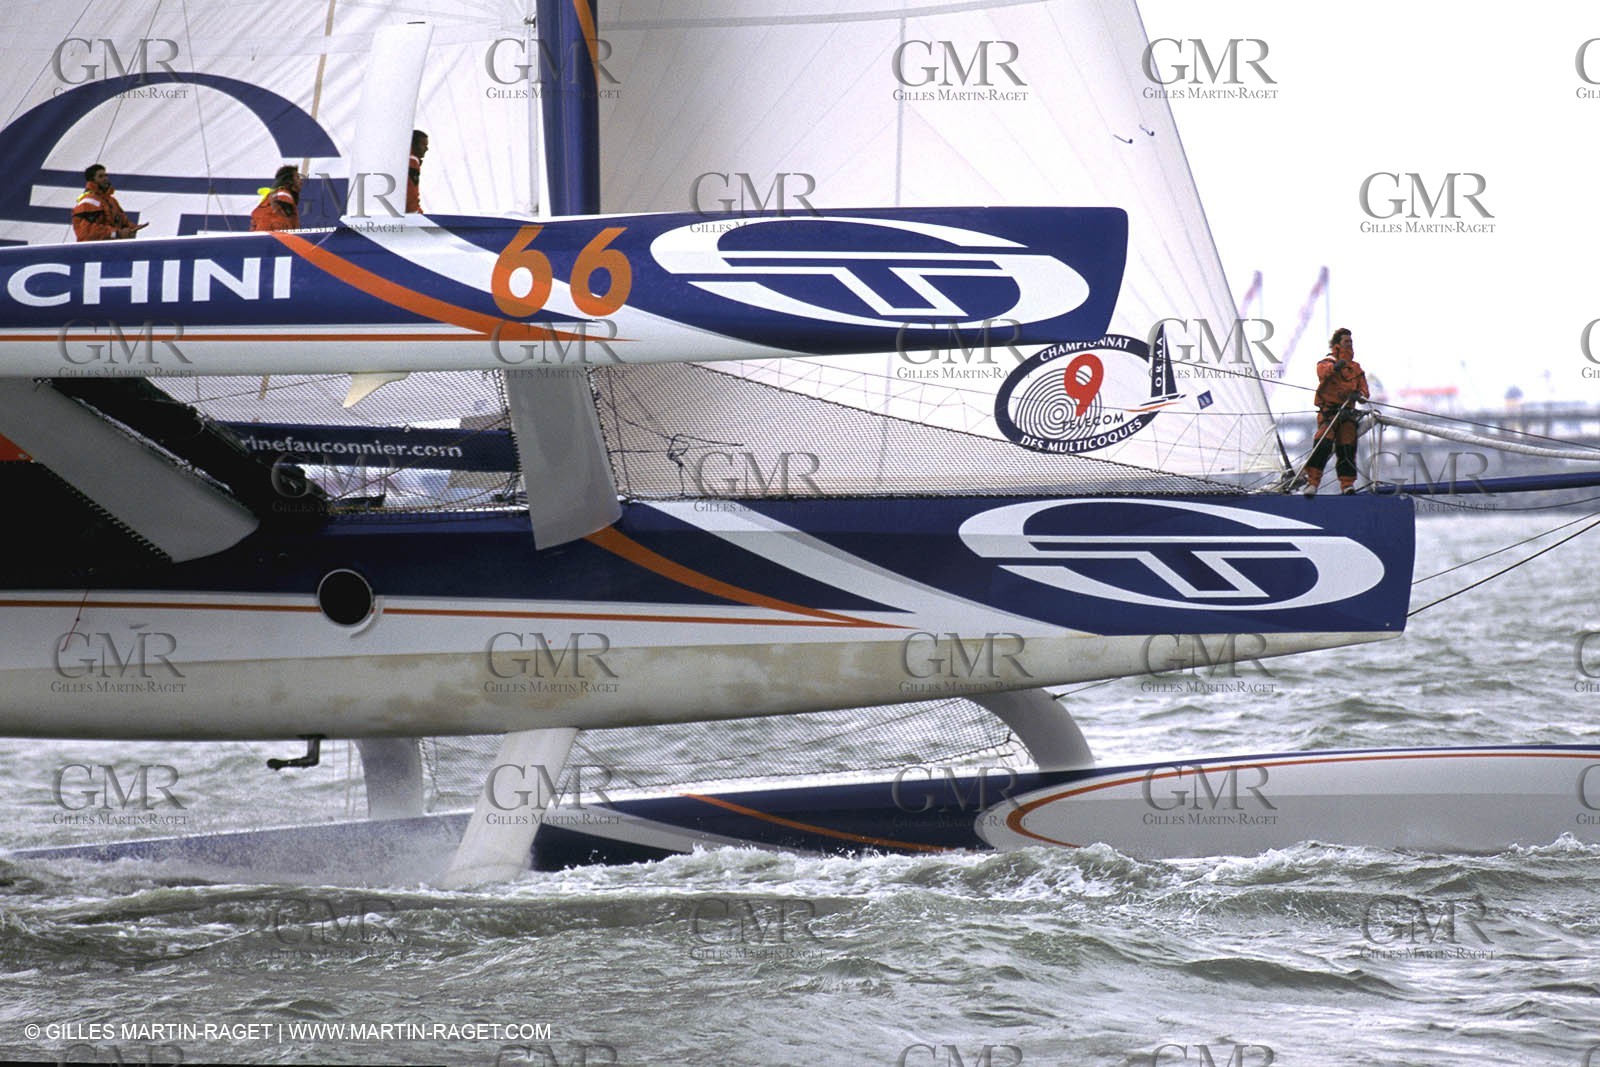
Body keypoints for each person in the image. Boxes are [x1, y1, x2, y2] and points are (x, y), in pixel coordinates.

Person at [1302, 327, 1370, 496]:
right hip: (1329, 413)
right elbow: (1322, 372)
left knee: (1347, 448)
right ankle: (1312, 483)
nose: (1349, 344)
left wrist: (1358, 395)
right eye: (1346, 341)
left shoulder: (1356, 368)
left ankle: (1347, 484)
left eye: (1350, 342)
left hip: (1347, 414)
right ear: (1337, 344)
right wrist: (1335, 368)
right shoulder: (1328, 362)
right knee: (1322, 444)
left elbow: (1365, 392)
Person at [72, 164, 145, 241]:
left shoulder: (111, 201)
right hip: (93, 250)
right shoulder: (88, 202)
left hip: (110, 248)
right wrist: (117, 233)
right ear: (92, 180)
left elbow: (122, 220)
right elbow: (87, 232)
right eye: (100, 176)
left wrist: (131, 229)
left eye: (106, 175)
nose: (105, 178)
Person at [250, 166, 302, 231]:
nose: (301, 181)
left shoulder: (273, 196)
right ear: (289, 180)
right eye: (297, 177)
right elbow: (283, 224)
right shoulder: (284, 195)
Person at [406, 130, 428, 213]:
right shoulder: (412, 161)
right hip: (409, 216)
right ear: (413, 145)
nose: (427, 149)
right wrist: (416, 213)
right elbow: (411, 193)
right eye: (423, 145)